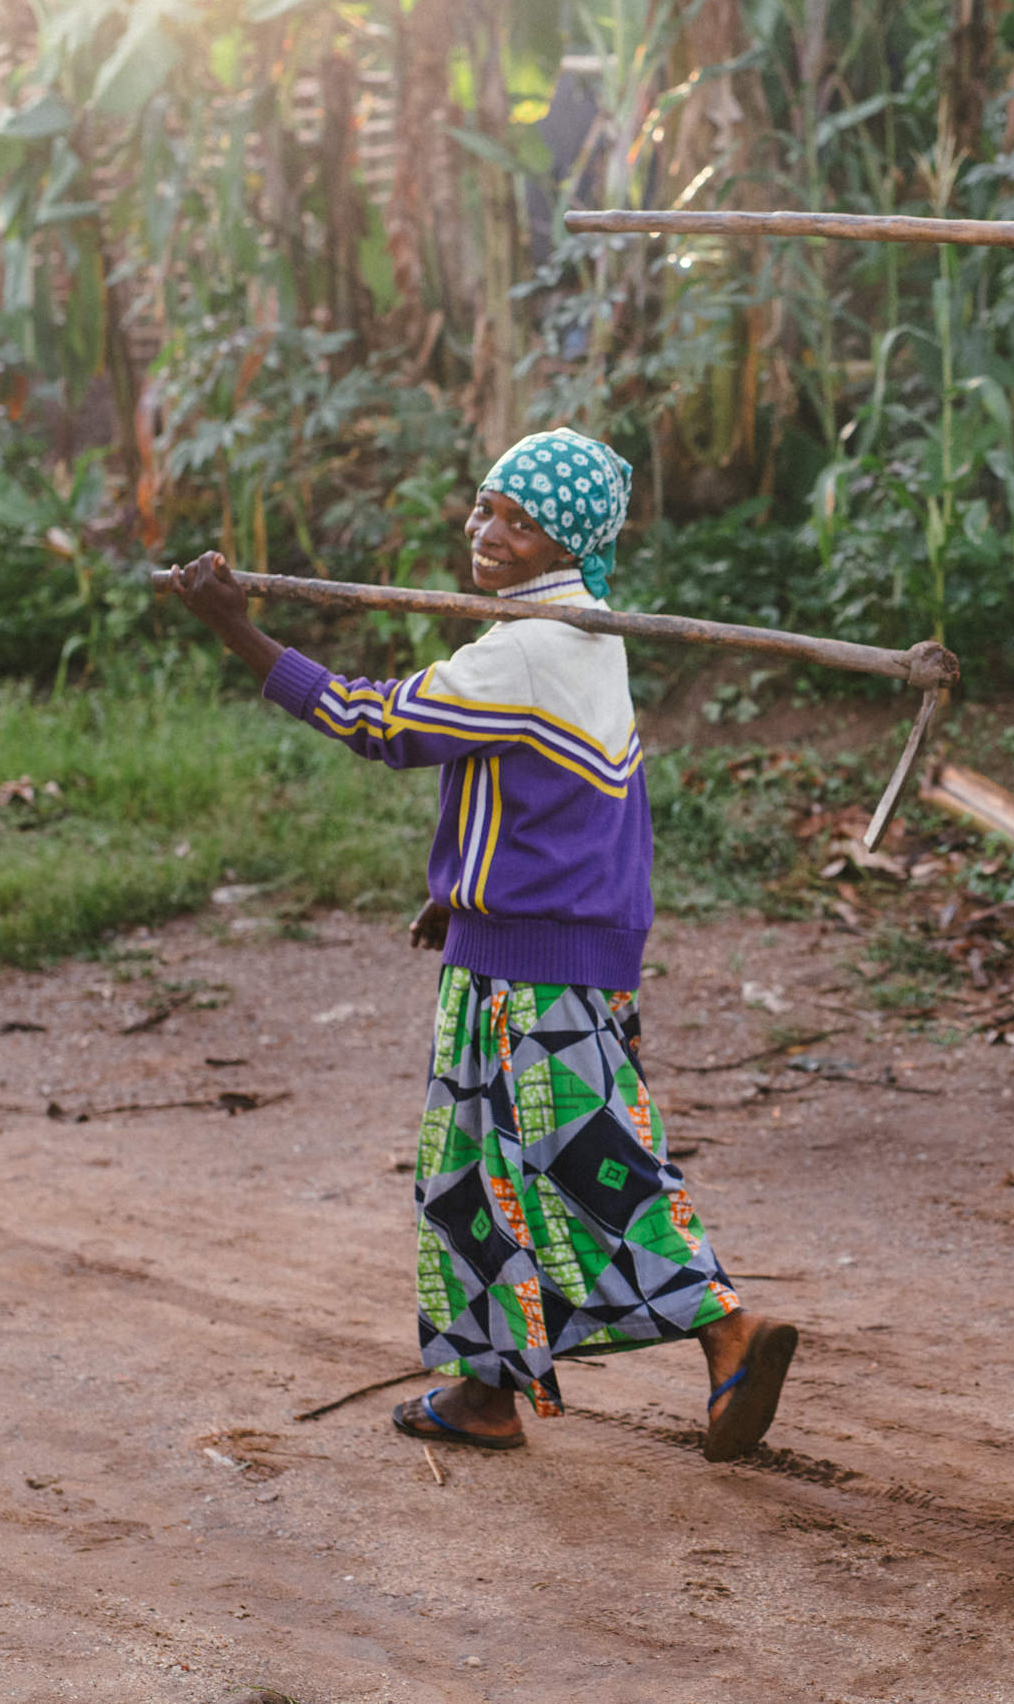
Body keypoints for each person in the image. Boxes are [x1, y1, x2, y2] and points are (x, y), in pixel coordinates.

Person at [169, 428, 798, 1464]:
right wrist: (462, 896)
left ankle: (725, 1327)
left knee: (582, 1161)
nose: (490, 534)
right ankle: (485, 1389)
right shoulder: (585, 630)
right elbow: (547, 797)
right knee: (479, 1169)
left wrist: (236, 631)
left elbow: (378, 723)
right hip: (532, 938)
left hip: (534, 963)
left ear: (573, 539)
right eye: (483, 509)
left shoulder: (527, 647)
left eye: (521, 521)